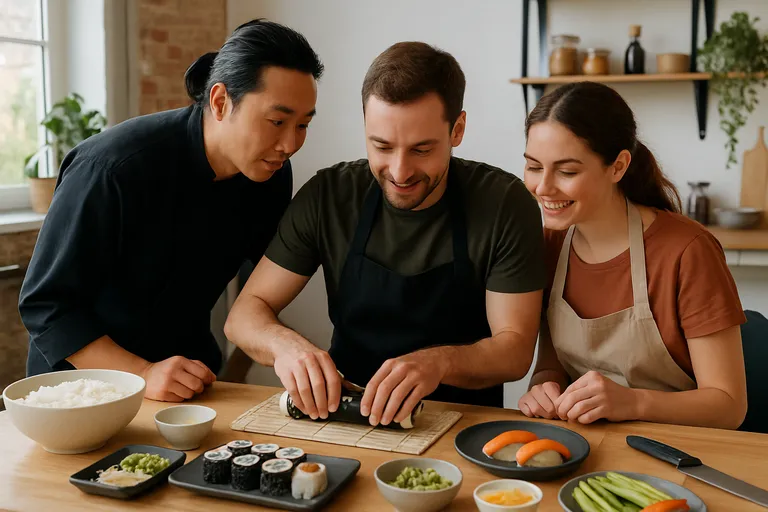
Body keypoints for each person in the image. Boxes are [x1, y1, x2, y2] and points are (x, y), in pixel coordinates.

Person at [225, 42, 545, 427]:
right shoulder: (329, 195)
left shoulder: (505, 204)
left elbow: (515, 350)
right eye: (382, 146)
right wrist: (287, 348)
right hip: (343, 418)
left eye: (421, 149)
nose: (400, 171)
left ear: (457, 130)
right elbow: (243, 315)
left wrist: (438, 362)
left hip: (464, 426)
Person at [18, 19, 323, 403]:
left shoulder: (269, 174)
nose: (290, 144)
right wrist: (143, 373)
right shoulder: (113, 167)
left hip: (188, 381)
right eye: (277, 121)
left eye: (303, 125)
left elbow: (259, 289)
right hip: (79, 390)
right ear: (220, 101)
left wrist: (294, 352)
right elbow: (46, 305)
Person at [517, 82, 748, 429]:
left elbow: (729, 406)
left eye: (567, 171)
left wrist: (633, 401)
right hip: (588, 446)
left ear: (618, 166)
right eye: (534, 167)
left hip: (682, 452)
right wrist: (542, 387)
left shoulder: (687, 252)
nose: (543, 187)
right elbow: (553, 365)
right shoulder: (550, 244)